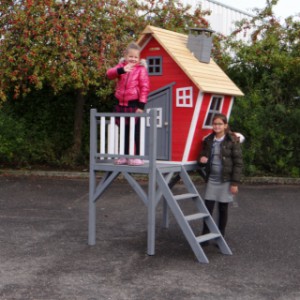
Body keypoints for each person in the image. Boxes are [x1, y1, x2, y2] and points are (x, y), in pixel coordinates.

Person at [198, 113, 243, 240]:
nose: (217, 126)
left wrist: (234, 183)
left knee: (223, 209)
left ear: (225, 125)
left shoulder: (232, 140)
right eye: (215, 124)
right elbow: (201, 156)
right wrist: (201, 159)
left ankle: (220, 236)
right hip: (212, 180)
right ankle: (205, 235)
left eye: (219, 124)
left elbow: (238, 163)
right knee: (208, 209)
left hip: (226, 180)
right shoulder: (208, 140)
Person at [106, 42, 150, 166]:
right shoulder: (121, 66)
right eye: (130, 56)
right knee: (124, 131)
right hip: (121, 104)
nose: (133, 59)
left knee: (135, 131)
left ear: (139, 58)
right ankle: (125, 156)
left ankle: (136, 157)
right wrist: (121, 70)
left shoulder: (141, 70)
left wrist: (141, 106)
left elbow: (145, 88)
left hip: (134, 104)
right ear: (125, 56)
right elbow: (109, 74)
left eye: (135, 57)